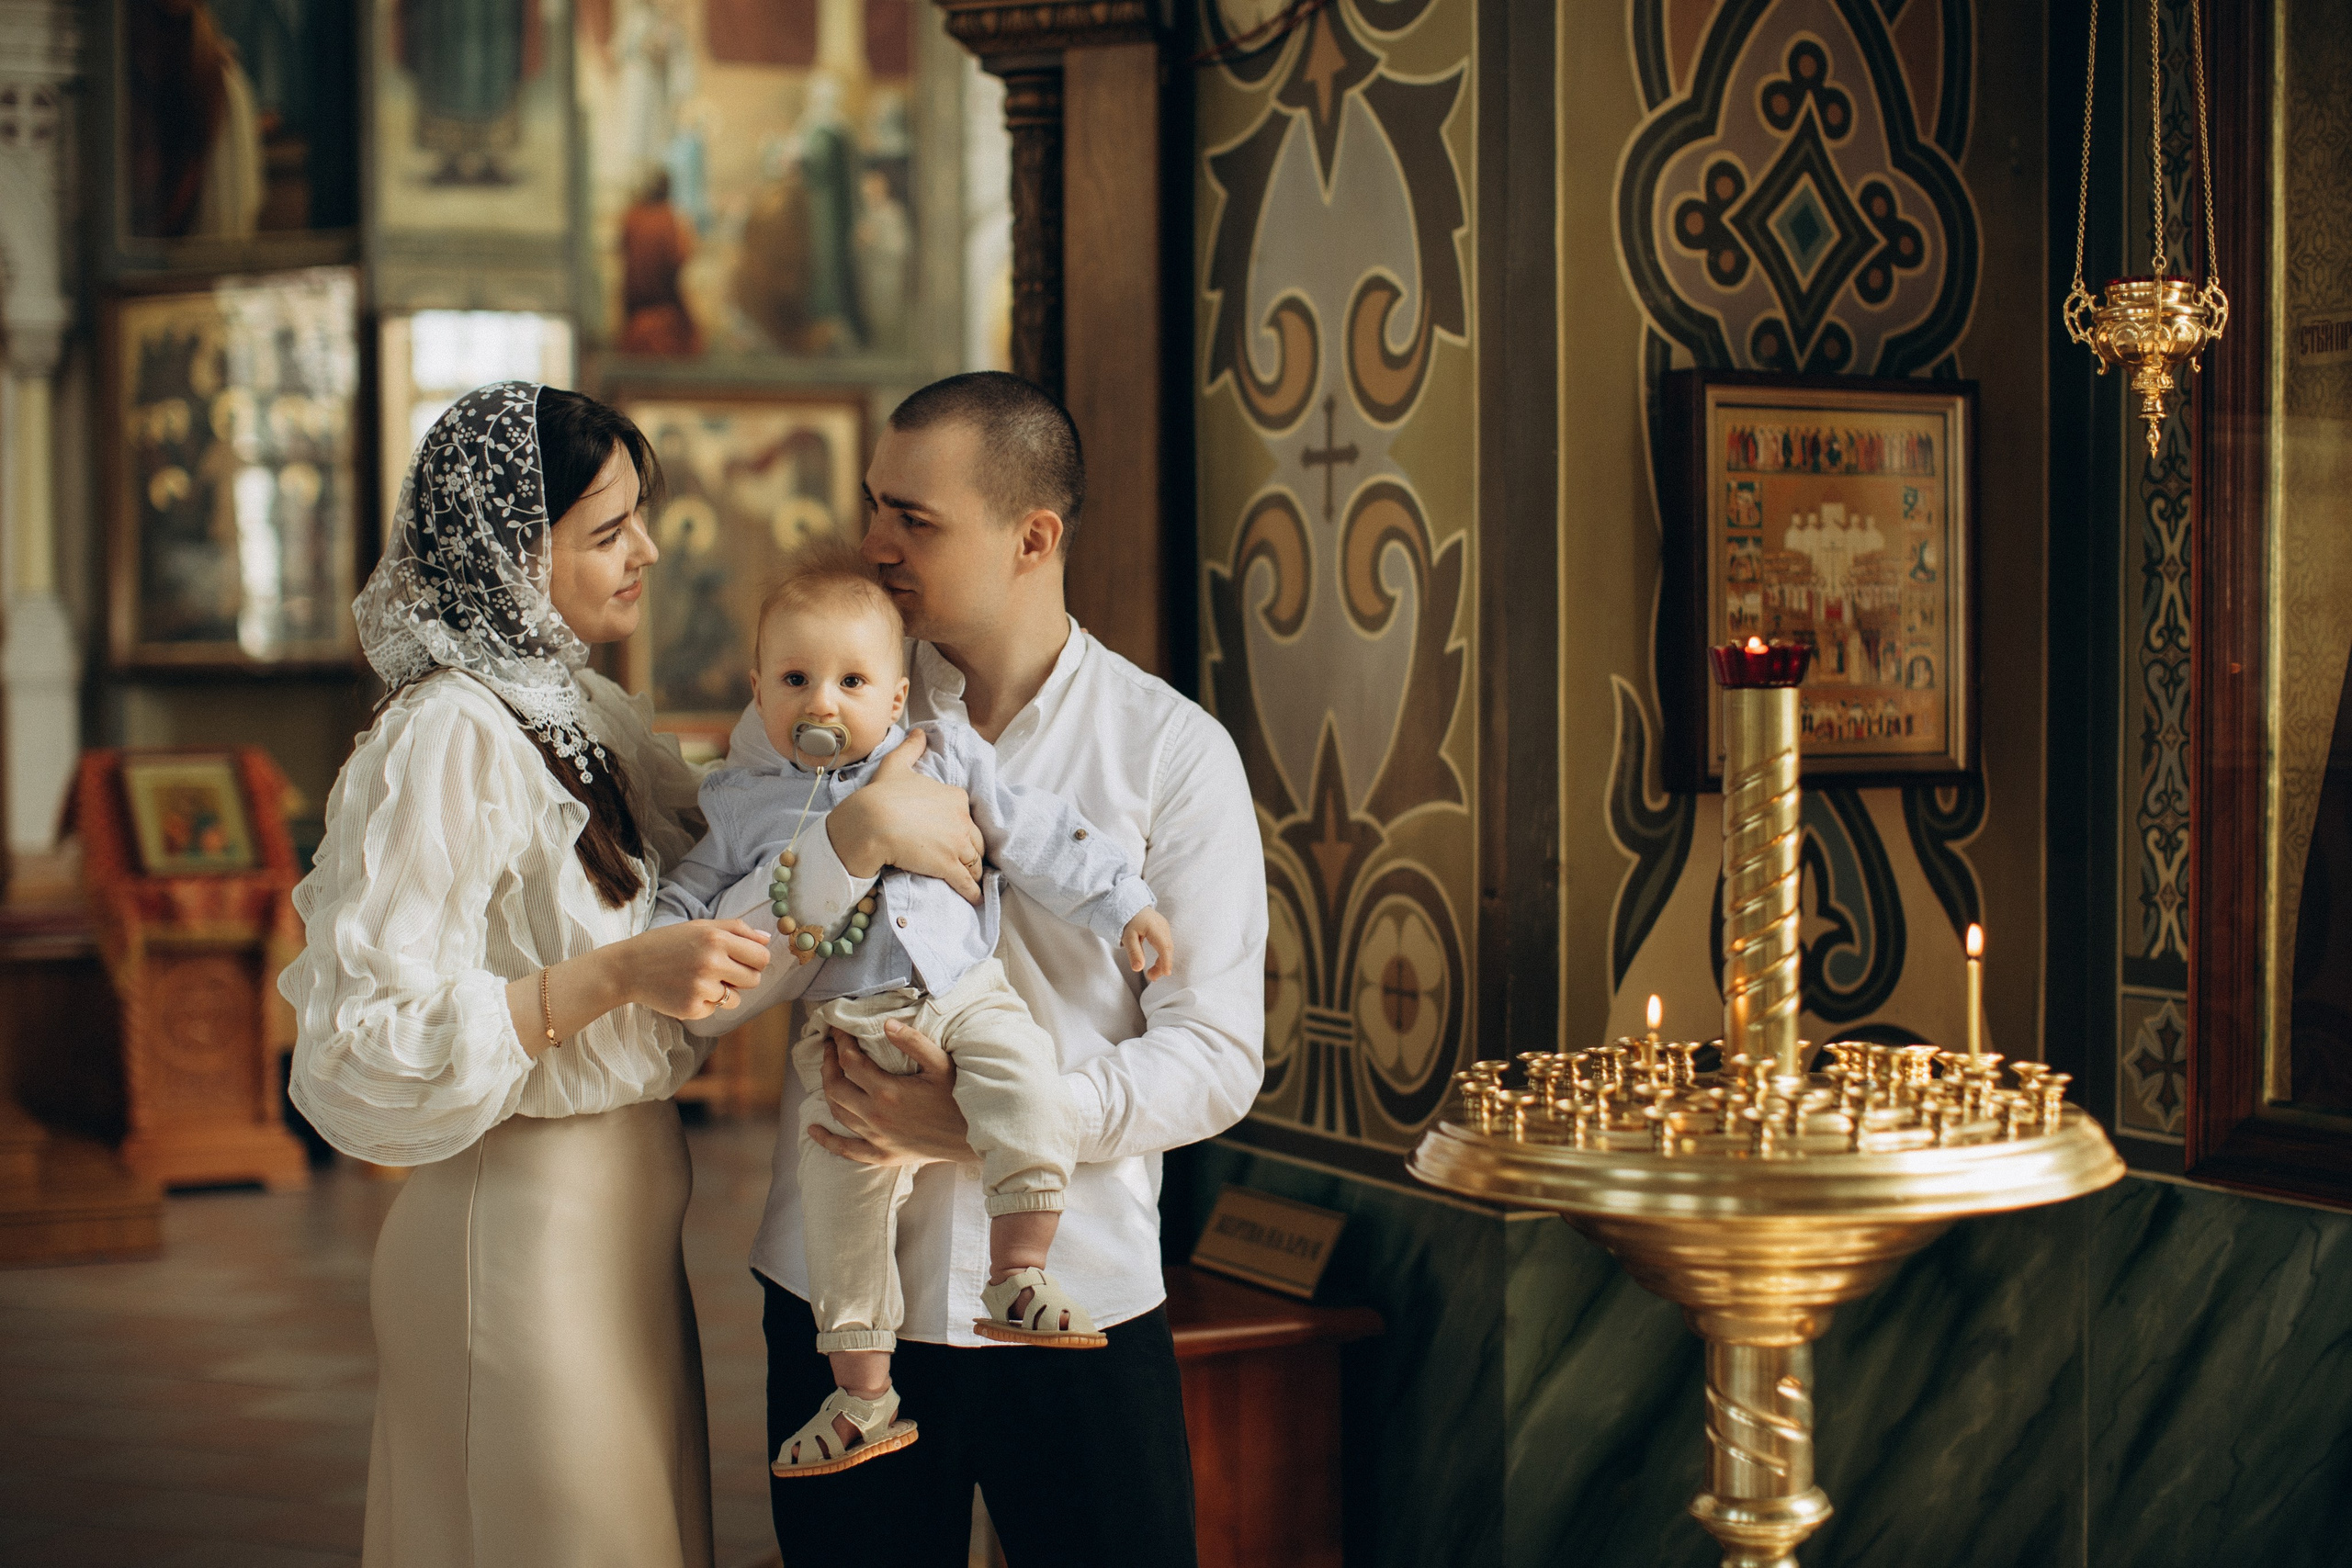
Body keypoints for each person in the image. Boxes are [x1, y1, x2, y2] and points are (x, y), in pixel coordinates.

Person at [712, 372, 1264, 1563]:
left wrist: (998, 1122)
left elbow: (1217, 1058)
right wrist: (847, 842)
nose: (873, 543)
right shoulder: (808, 708)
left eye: (915, 518)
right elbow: (723, 980)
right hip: (836, 1300)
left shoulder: (1173, 754)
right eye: (874, 506)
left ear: (1033, 537)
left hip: (1079, 1299)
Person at [284, 382, 771, 1568]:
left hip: (625, 1227)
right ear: (511, 553)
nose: (647, 551)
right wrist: (608, 979)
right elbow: (361, 1037)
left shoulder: (579, 711)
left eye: (640, 518)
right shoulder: (449, 731)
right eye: (608, 532)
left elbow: (721, 870)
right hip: (518, 1226)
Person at [652, 539, 1177, 1476]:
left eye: (852, 680)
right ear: (758, 691)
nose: (823, 701)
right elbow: (693, 899)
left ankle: (1018, 1270)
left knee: (1023, 1077)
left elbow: (1038, 832)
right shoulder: (742, 798)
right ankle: (862, 1394)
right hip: (845, 1034)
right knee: (838, 1207)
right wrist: (663, 938)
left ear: (896, 697)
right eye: (796, 679)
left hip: (963, 994)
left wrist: (1122, 902)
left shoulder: (943, 755)